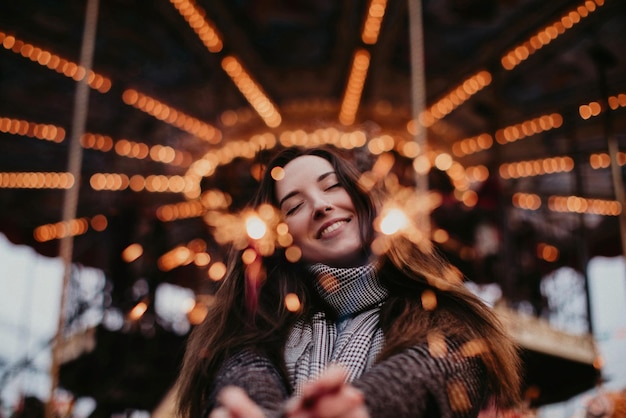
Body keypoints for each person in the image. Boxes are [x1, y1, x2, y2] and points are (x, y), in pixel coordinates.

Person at [175, 145, 522, 418]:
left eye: (333, 186)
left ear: (363, 197)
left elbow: (433, 368)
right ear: (280, 237)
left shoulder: (442, 319)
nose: (320, 205)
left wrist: (367, 403)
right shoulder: (256, 329)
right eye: (294, 207)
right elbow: (245, 373)